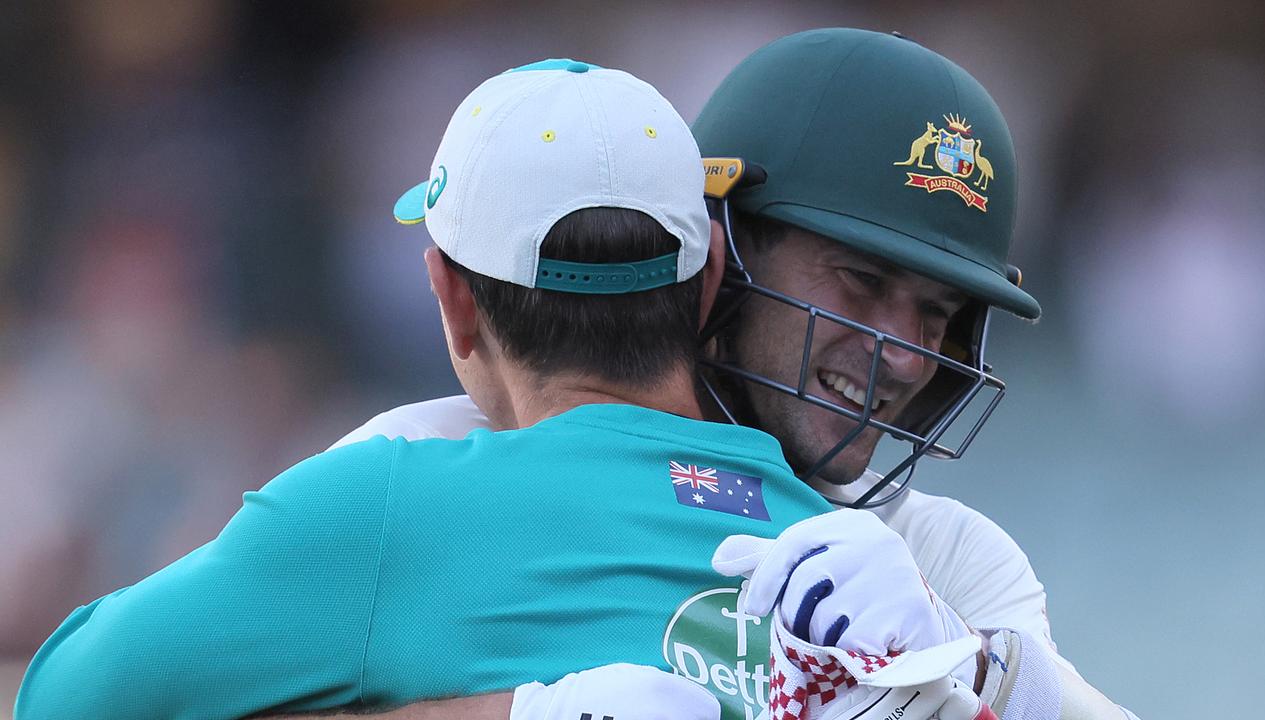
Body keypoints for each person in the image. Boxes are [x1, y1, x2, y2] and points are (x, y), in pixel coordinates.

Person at [314, 29, 1141, 720]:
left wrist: (970, 659)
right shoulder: (425, 466)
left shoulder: (942, 557)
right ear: (721, 253)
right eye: (861, 281)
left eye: (936, 313)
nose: (903, 352)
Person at [16, 59, 862, 720]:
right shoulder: (848, 553)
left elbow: (62, 699)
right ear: (710, 278)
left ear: (452, 300)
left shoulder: (382, 501)